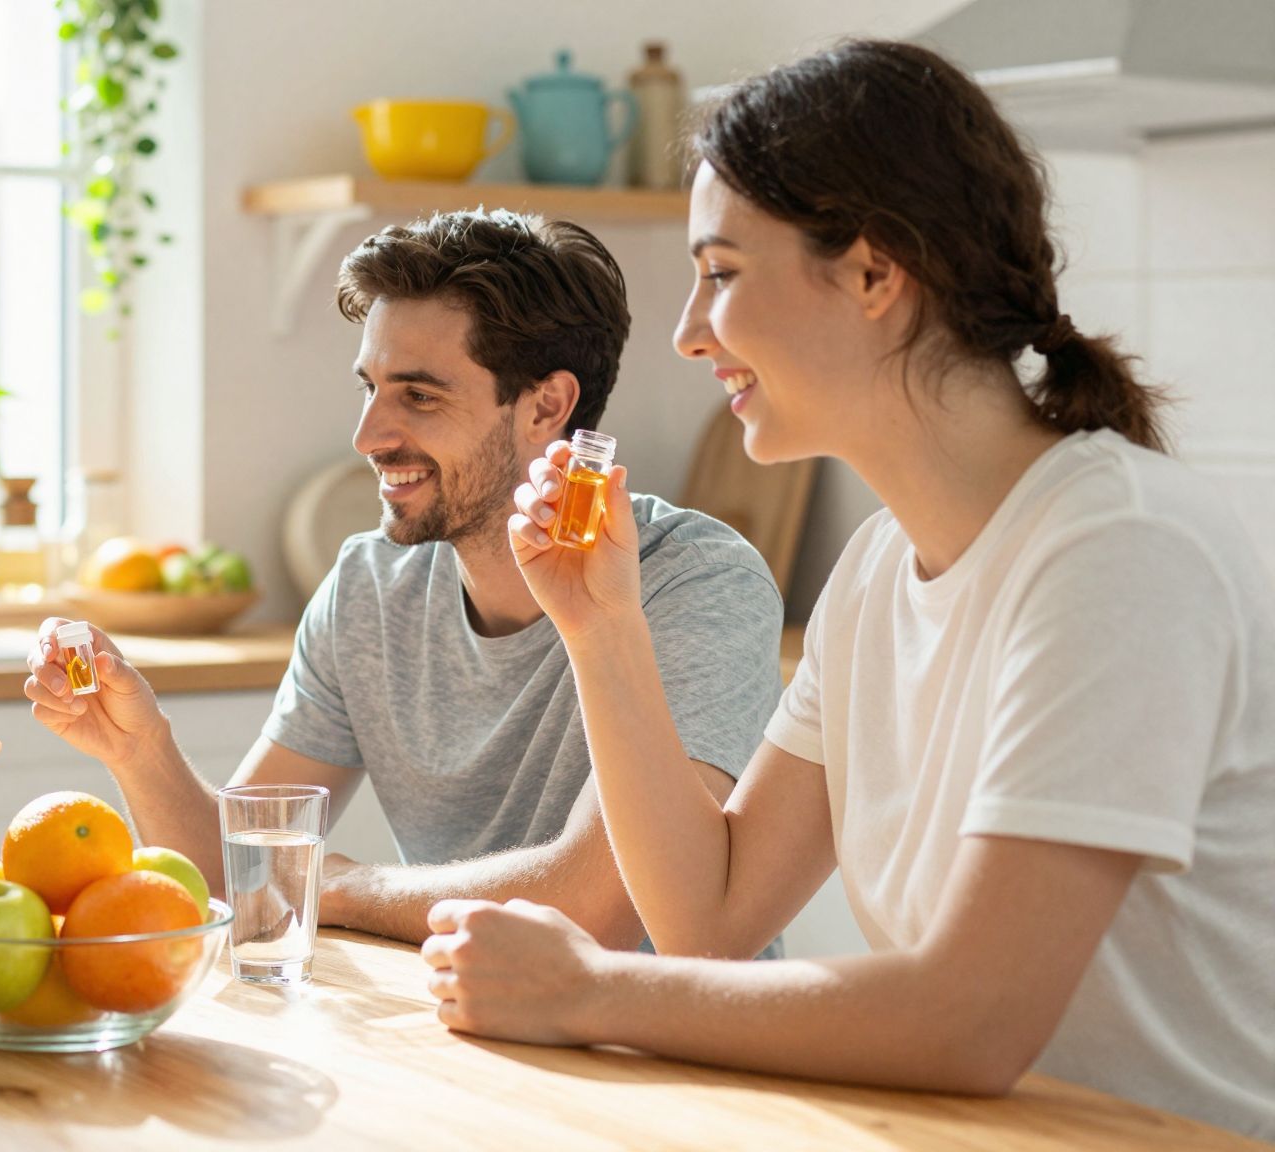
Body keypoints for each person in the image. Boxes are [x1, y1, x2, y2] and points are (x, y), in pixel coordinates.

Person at [422, 40, 1275, 1138]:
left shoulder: (1118, 551)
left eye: (721, 274)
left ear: (876, 274)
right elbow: (711, 918)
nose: (688, 333)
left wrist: (585, 992)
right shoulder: (878, 570)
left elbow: (971, 1019)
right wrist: (601, 628)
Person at [26, 211, 784, 946]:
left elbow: (596, 909)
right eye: (370, 388)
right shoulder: (371, 586)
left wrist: (343, 888)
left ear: (546, 406)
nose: (368, 437)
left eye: (419, 395)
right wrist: (139, 749)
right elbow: (241, 876)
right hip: (455, 1010)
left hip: (658, 1029)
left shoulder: (696, 583)